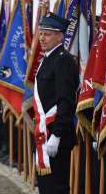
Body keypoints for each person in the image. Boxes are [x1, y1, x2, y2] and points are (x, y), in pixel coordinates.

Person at [33, 12, 79, 194]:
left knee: (57, 187)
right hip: (45, 133)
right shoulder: (49, 58)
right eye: (41, 33)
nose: (42, 38)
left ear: (60, 36)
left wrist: (57, 134)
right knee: (46, 187)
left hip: (55, 137)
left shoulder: (63, 60)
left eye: (48, 34)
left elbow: (66, 100)